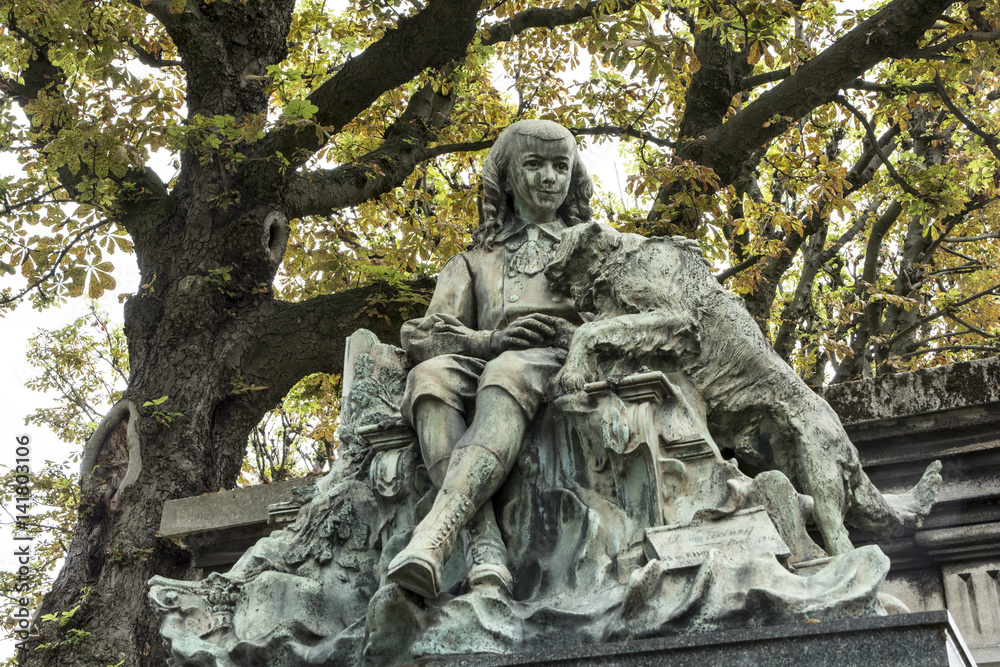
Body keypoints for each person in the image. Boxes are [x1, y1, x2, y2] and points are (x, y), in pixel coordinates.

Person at [387, 120, 592, 599]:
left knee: (507, 371)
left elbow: (623, 318)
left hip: (563, 361)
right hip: (487, 356)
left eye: (561, 167)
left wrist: (562, 333)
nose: (549, 178)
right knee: (430, 378)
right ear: (505, 175)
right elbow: (422, 336)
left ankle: (436, 534)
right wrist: (487, 341)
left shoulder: (592, 245)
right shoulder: (475, 260)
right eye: (535, 165)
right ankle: (482, 543)